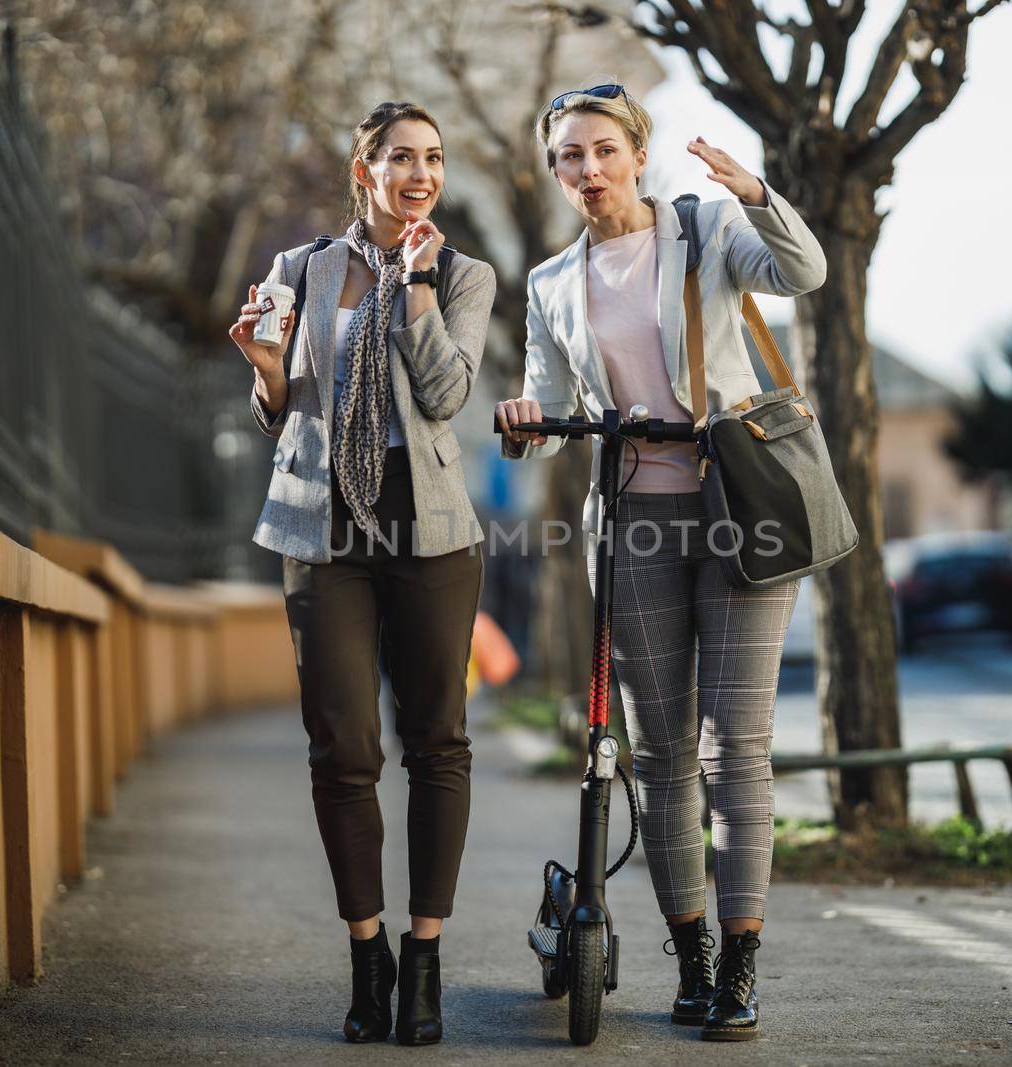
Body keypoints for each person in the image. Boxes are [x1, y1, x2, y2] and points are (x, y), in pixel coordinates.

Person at [494, 83, 826, 1041]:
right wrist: (523, 425)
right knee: (662, 752)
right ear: (554, 170)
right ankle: (693, 960)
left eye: (604, 150)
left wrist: (756, 193)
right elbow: (550, 411)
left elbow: (802, 274)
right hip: (632, 521)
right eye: (569, 157)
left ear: (637, 152)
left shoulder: (707, 230)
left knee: (738, 747)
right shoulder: (553, 282)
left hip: (740, 512)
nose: (588, 170)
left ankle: (743, 964)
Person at [230, 101, 495, 1046]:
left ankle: (424, 957)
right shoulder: (300, 270)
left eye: (433, 156)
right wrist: (265, 370)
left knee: (437, 741)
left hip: (429, 529)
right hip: (319, 528)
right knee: (342, 748)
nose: (419, 173)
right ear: (363, 171)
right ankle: (367, 949)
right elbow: (283, 407)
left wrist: (418, 288)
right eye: (399, 158)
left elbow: (448, 394)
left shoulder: (464, 275)